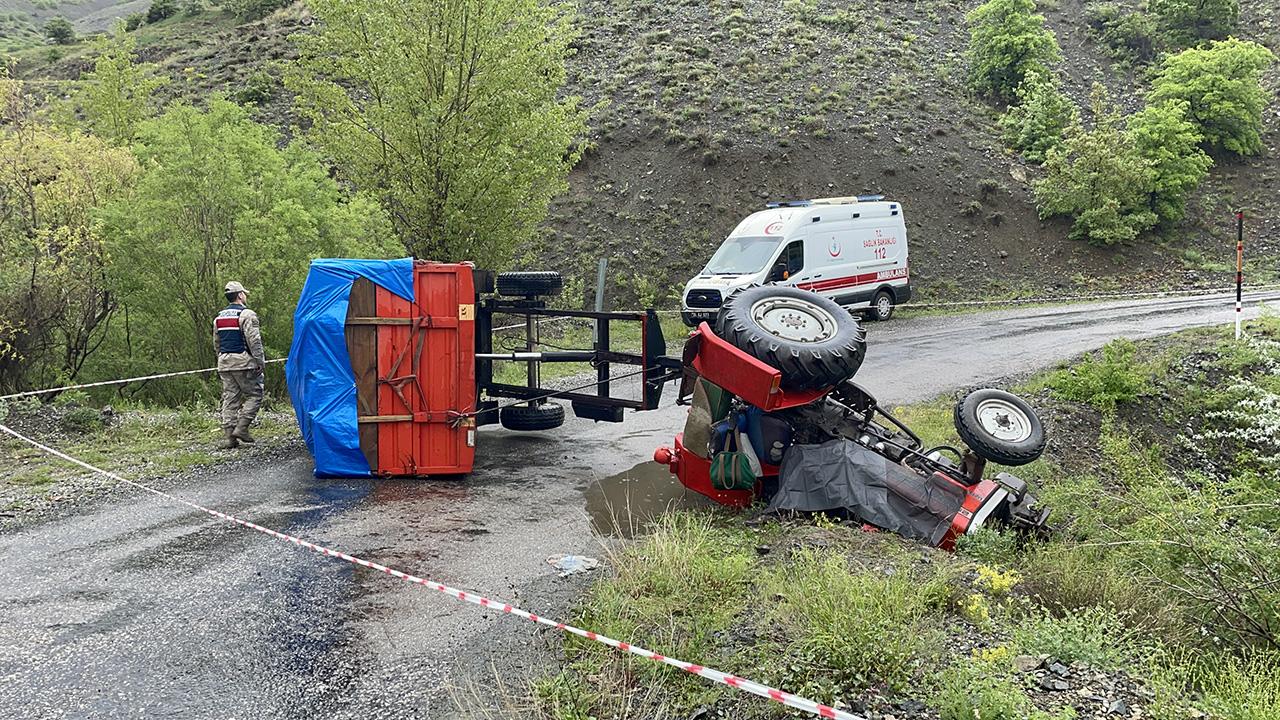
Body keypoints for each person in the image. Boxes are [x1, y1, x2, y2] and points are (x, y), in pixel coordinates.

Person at [214, 281, 265, 449]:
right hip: (244, 362)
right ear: (240, 295)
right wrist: (259, 361)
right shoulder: (247, 314)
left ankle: (230, 437)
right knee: (255, 394)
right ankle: (242, 428)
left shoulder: (219, 317)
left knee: (230, 398)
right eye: (244, 294)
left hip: (224, 362)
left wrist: (221, 359)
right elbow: (254, 340)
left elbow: (217, 342)